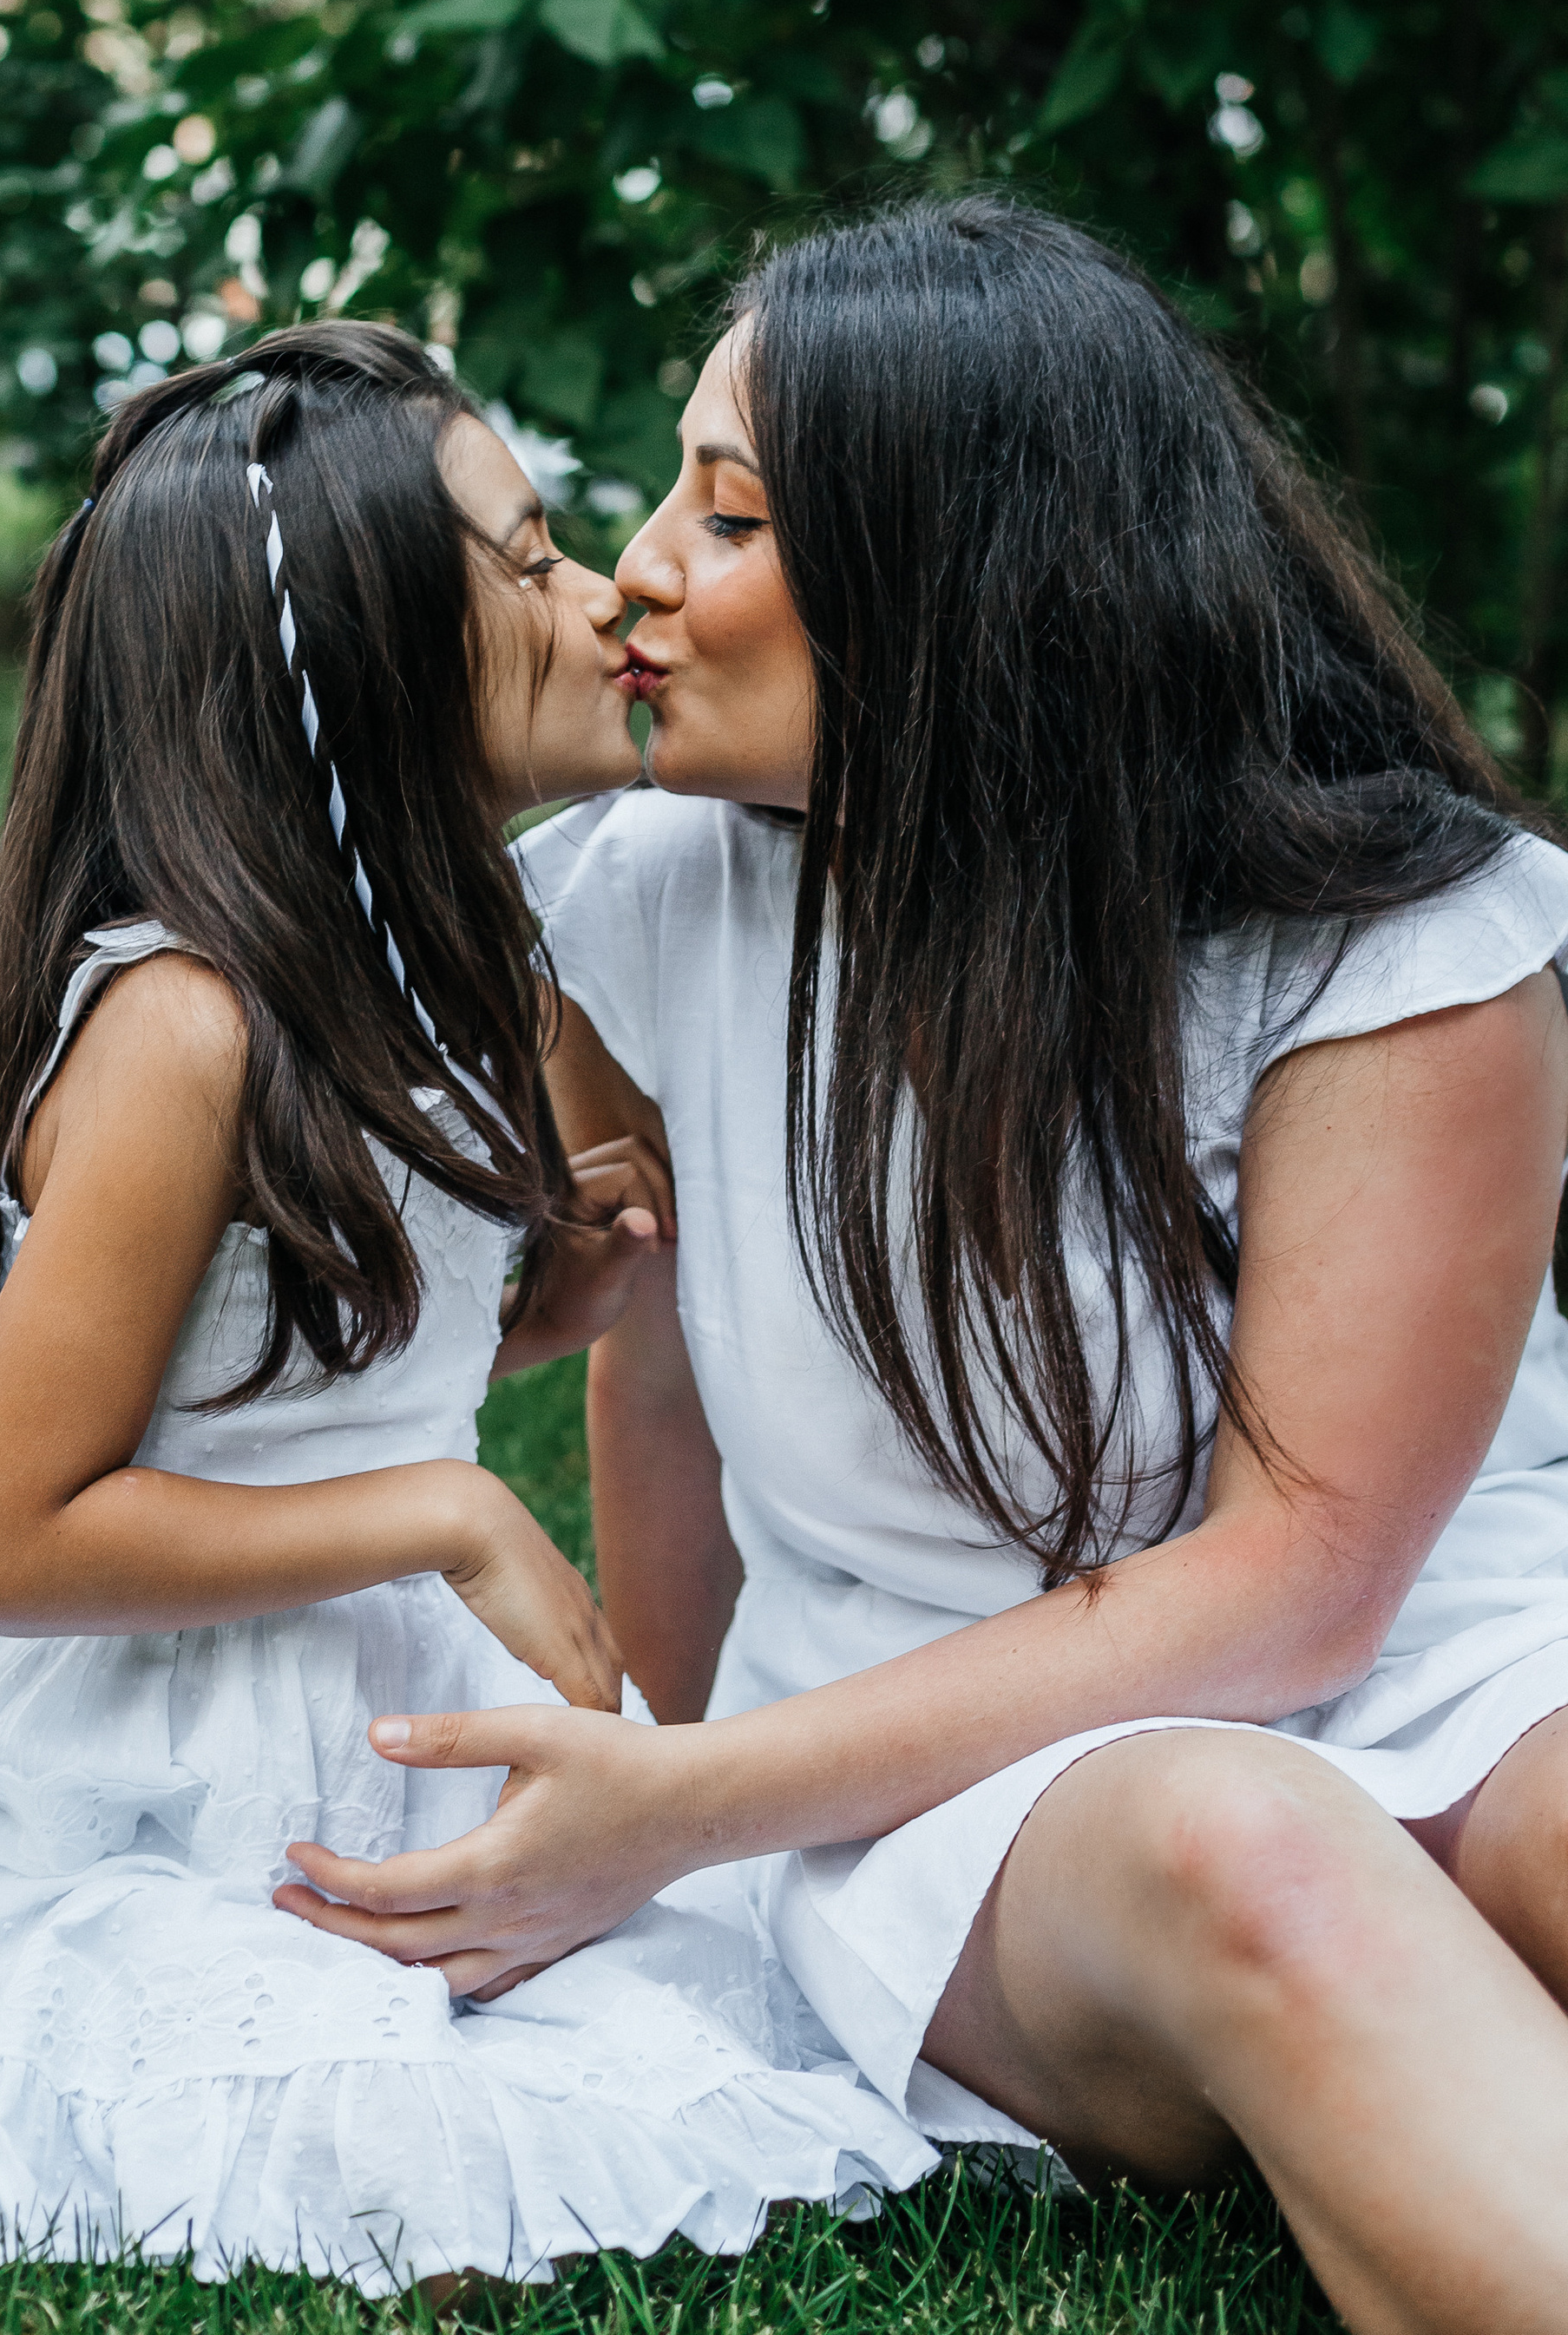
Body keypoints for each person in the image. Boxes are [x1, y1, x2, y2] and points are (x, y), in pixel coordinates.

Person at [277, 208, 1568, 2335]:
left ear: (966, 584)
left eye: (732, 512)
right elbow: (666, 1373)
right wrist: (665, 1793)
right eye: (669, 488)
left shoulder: (1399, 936)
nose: (638, 575)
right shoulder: (638, 894)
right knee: (1248, 1850)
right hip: (953, 1754)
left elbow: (1309, 1575)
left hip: (1446, 1632)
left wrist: (670, 1805)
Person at [0, 324, 929, 2292]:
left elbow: (348, 1363)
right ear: (367, 657)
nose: (596, 592)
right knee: (333, 2093)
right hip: (138, 1737)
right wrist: (449, 1509)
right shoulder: (182, 1025)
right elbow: (10, 1538)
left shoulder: (481, 962)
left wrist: (550, 1298)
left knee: (721, 1988)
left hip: (376, 1702)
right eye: (528, 560)